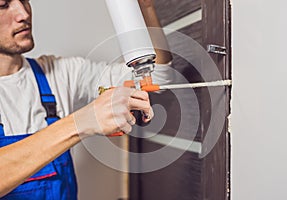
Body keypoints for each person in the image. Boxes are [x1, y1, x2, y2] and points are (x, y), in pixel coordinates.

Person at [0, 0, 173, 199]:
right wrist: (80, 122)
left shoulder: (58, 73)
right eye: (3, 5)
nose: (23, 14)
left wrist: (145, 7)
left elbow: (157, 76)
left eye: (23, 0)